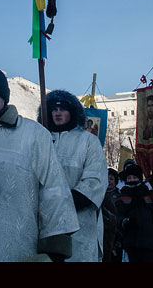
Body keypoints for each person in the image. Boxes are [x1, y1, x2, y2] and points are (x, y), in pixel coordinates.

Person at [0, 67, 79, 262]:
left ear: (4, 96)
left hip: (20, 252)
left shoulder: (34, 135)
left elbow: (53, 191)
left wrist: (54, 251)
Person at [39, 89, 108, 262]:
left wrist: (67, 203)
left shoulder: (88, 141)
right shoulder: (40, 140)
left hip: (79, 224)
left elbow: (95, 179)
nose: (58, 113)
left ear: (72, 112)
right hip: (44, 223)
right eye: (54, 109)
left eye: (63, 109)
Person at [115, 162, 153, 262]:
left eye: (134, 177)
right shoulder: (122, 196)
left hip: (150, 242)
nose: (132, 180)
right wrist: (124, 222)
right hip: (131, 242)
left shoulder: (150, 194)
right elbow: (117, 216)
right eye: (129, 178)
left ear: (140, 178)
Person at [102, 168, 122, 262]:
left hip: (115, 234)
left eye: (111, 179)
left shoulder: (119, 196)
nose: (108, 181)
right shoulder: (99, 194)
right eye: (106, 178)